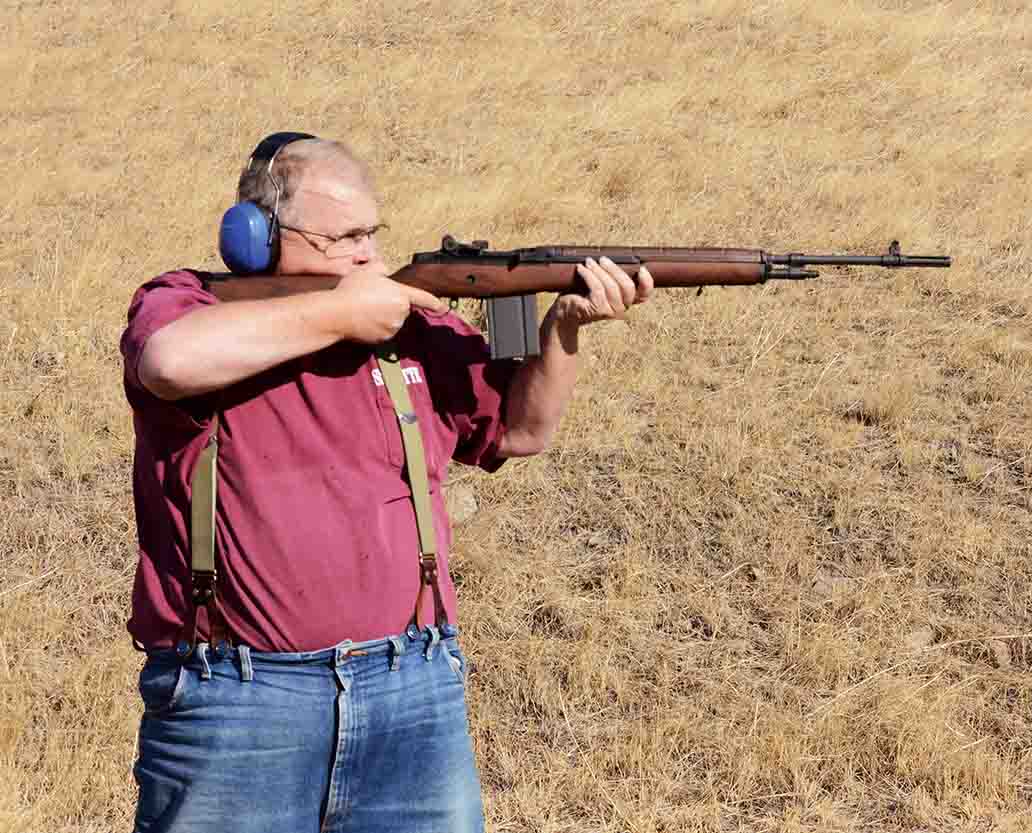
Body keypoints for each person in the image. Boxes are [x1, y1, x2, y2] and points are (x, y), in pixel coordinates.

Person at [120, 132, 654, 833]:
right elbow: (167, 360)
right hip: (237, 701)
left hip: (413, 688)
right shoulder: (188, 303)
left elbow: (520, 432)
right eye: (343, 238)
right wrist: (341, 313)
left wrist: (563, 331)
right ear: (256, 238)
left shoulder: (409, 327)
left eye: (372, 233)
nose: (369, 257)